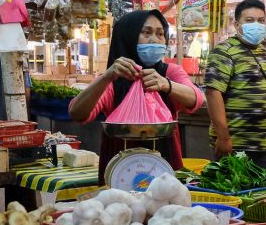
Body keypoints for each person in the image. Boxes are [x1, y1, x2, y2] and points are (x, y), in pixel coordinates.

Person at [69, 10, 204, 181]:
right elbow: (77, 113)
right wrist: (107, 77)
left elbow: (197, 99)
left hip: (165, 161)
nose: (154, 39)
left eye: (160, 34)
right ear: (128, 36)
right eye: (146, 33)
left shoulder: (171, 73)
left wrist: (166, 85)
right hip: (120, 169)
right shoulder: (112, 79)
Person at [203, 0, 266, 175]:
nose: (257, 25)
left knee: (264, 196)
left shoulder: (261, 52)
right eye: (250, 20)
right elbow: (213, 93)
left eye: (261, 21)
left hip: (265, 143)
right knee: (236, 195)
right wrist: (223, 137)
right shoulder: (223, 51)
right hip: (235, 144)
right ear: (237, 24)